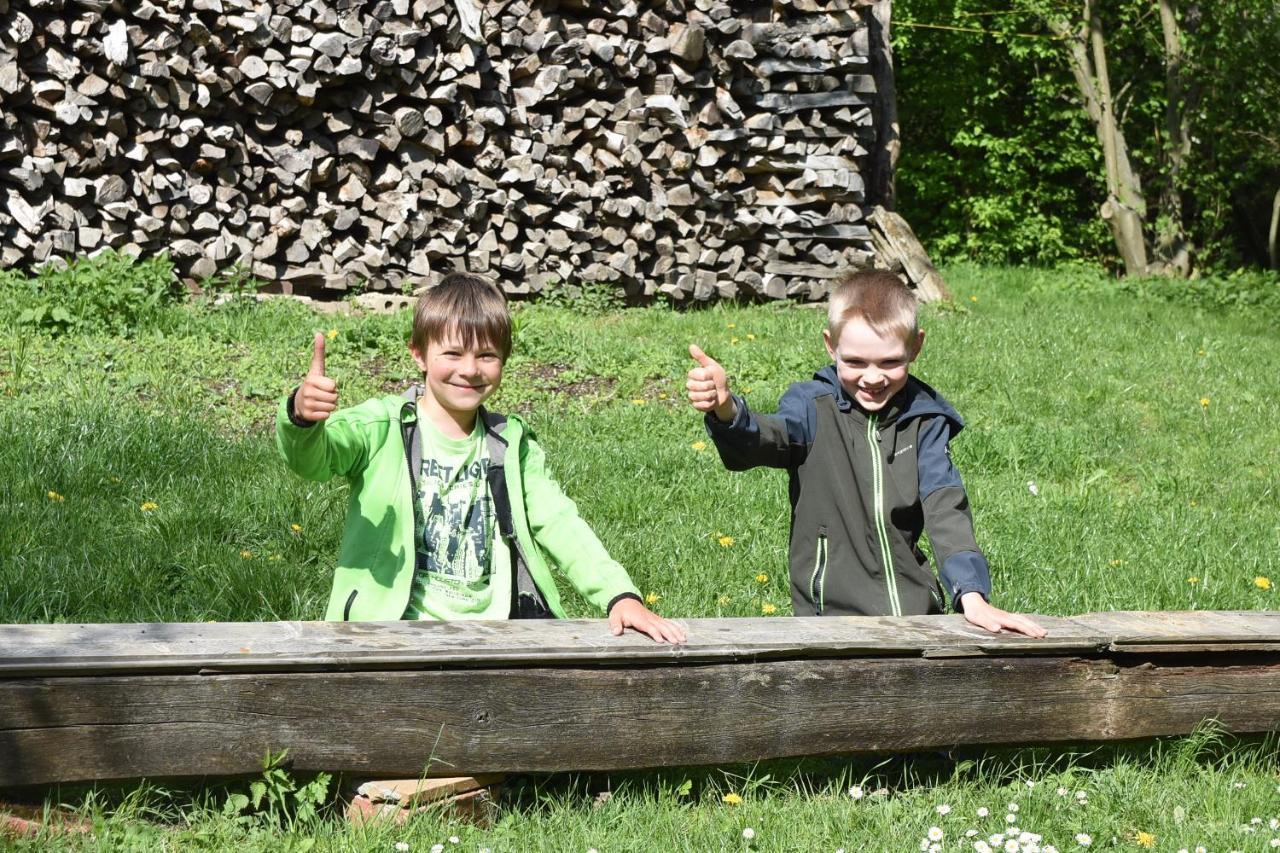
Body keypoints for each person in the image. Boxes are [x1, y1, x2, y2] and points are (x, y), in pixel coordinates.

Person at [278, 271, 686, 821]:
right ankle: (474, 778)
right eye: (453, 353)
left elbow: (559, 521)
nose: (470, 370)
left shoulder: (507, 442)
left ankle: (466, 778)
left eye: (487, 356)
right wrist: (302, 417)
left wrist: (619, 595)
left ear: (504, 361)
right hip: (392, 643)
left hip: (490, 638)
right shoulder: (380, 427)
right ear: (418, 354)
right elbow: (314, 458)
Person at [685, 269, 1045, 637]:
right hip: (830, 623)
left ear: (915, 347)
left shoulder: (924, 419)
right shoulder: (812, 408)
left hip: (917, 616)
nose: (873, 378)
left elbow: (944, 505)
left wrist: (970, 594)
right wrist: (727, 411)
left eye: (890, 362)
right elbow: (766, 438)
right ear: (831, 345)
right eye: (855, 362)